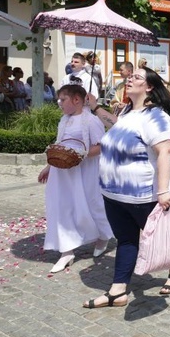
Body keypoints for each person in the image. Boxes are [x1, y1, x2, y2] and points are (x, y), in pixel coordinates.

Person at [84, 66, 170, 308]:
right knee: (126, 240)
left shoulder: (157, 116)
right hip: (113, 193)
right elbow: (115, 124)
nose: (129, 80)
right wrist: (95, 107)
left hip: (143, 195)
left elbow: (164, 152)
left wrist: (163, 192)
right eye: (129, 76)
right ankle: (118, 292)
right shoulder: (127, 113)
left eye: (136, 77)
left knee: (158, 240)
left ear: (149, 87)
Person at [37, 85, 112, 273]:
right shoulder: (64, 120)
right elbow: (59, 144)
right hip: (62, 172)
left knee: (92, 204)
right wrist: (49, 166)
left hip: (85, 170)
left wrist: (80, 155)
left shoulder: (91, 121)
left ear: (76, 100)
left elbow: (101, 146)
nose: (59, 103)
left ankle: (103, 235)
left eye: (63, 99)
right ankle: (67, 251)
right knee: (62, 207)